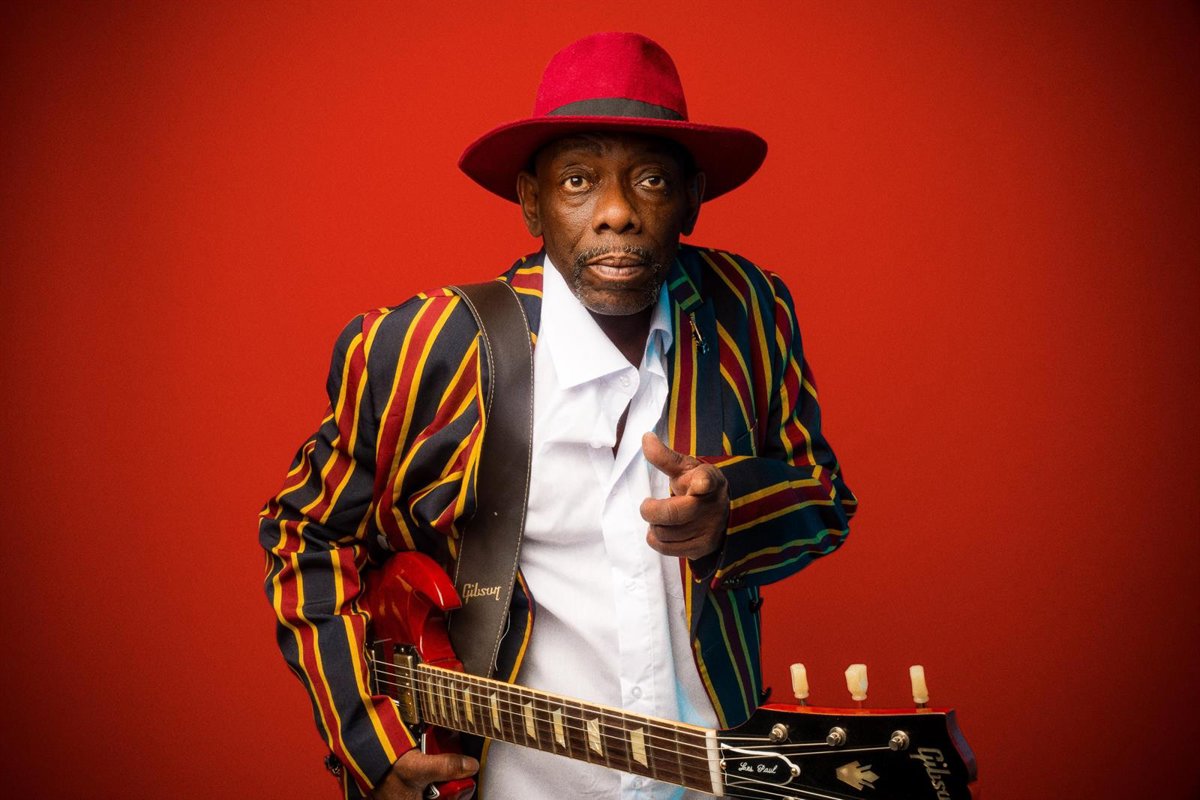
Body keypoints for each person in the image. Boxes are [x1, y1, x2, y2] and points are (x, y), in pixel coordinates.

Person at [260, 32, 857, 800]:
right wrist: (371, 744)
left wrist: (731, 516)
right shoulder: (426, 348)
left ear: (692, 199)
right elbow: (304, 532)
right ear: (531, 202)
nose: (616, 213)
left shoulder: (749, 311)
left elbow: (824, 500)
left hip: (713, 781)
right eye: (578, 181)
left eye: (650, 180)